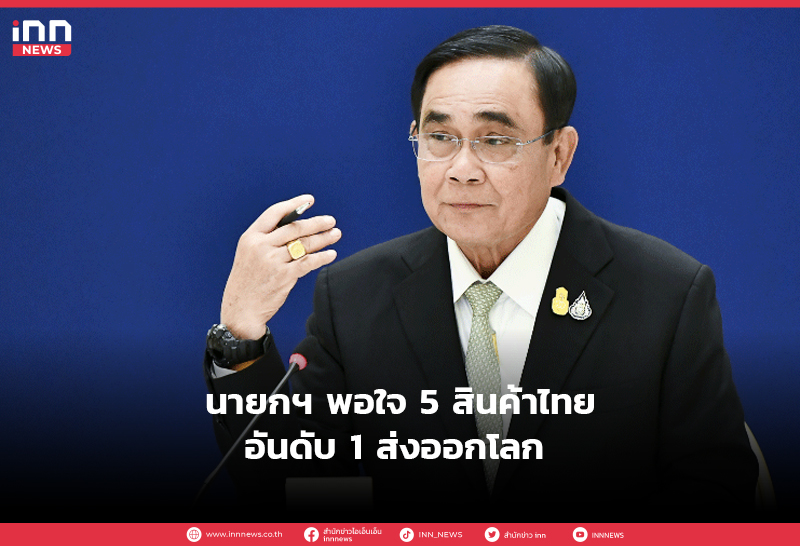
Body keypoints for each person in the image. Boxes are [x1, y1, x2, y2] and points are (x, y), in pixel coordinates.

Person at [203, 25, 757, 517]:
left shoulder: (665, 293)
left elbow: (717, 491)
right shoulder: (355, 297)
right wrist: (241, 330)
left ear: (560, 154)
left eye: (495, 140)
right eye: (440, 138)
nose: (462, 169)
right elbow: (288, 484)